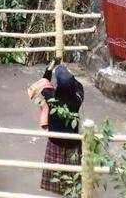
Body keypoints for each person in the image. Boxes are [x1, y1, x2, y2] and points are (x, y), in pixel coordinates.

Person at [39, 60, 84, 195]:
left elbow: (43, 83)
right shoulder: (77, 100)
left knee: (56, 170)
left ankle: (57, 189)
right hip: (72, 143)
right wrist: (69, 74)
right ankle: (72, 191)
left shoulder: (52, 99)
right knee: (72, 173)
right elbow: (79, 86)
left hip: (55, 141)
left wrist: (50, 68)